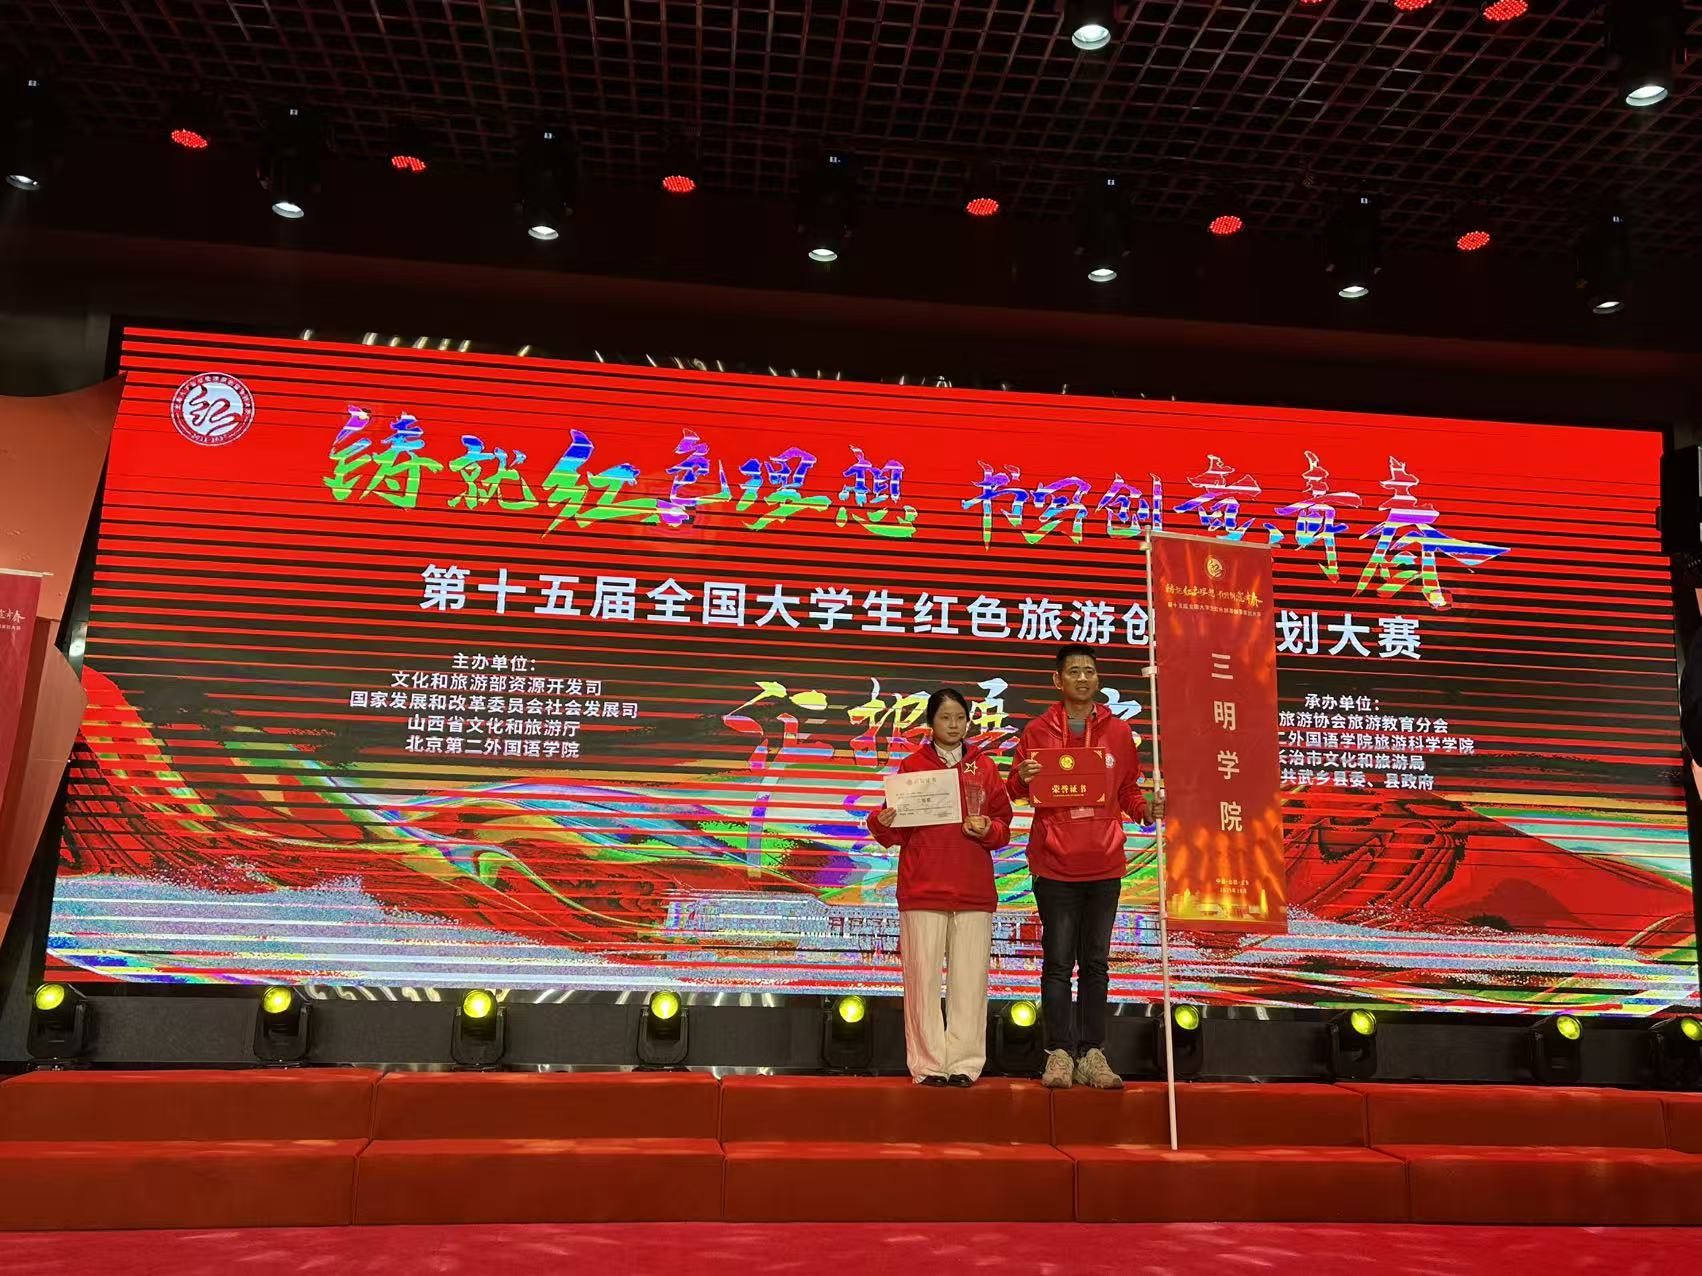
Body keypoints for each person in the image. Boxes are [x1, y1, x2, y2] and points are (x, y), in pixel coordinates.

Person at [1008, 644, 1162, 1090]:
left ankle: (1093, 1053)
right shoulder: (1037, 731)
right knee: (1057, 963)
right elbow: (1014, 789)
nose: (1082, 678)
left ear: (1098, 679)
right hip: (1054, 864)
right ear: (1058, 680)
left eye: (1089, 671)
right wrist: (1023, 778)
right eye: (1073, 671)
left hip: (1104, 863)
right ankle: (1058, 1053)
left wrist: (1146, 810)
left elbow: (1128, 791)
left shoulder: (1119, 732)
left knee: (1095, 964)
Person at [868, 687, 1013, 1086]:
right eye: (945, 718)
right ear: (931, 722)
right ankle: (928, 1064)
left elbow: (1004, 826)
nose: (953, 725)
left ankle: (965, 1064)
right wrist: (882, 820)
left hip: (972, 887)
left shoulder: (984, 766)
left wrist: (988, 828)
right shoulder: (913, 765)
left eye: (960, 718)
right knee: (922, 980)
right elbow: (893, 828)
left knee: (970, 981)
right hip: (923, 886)